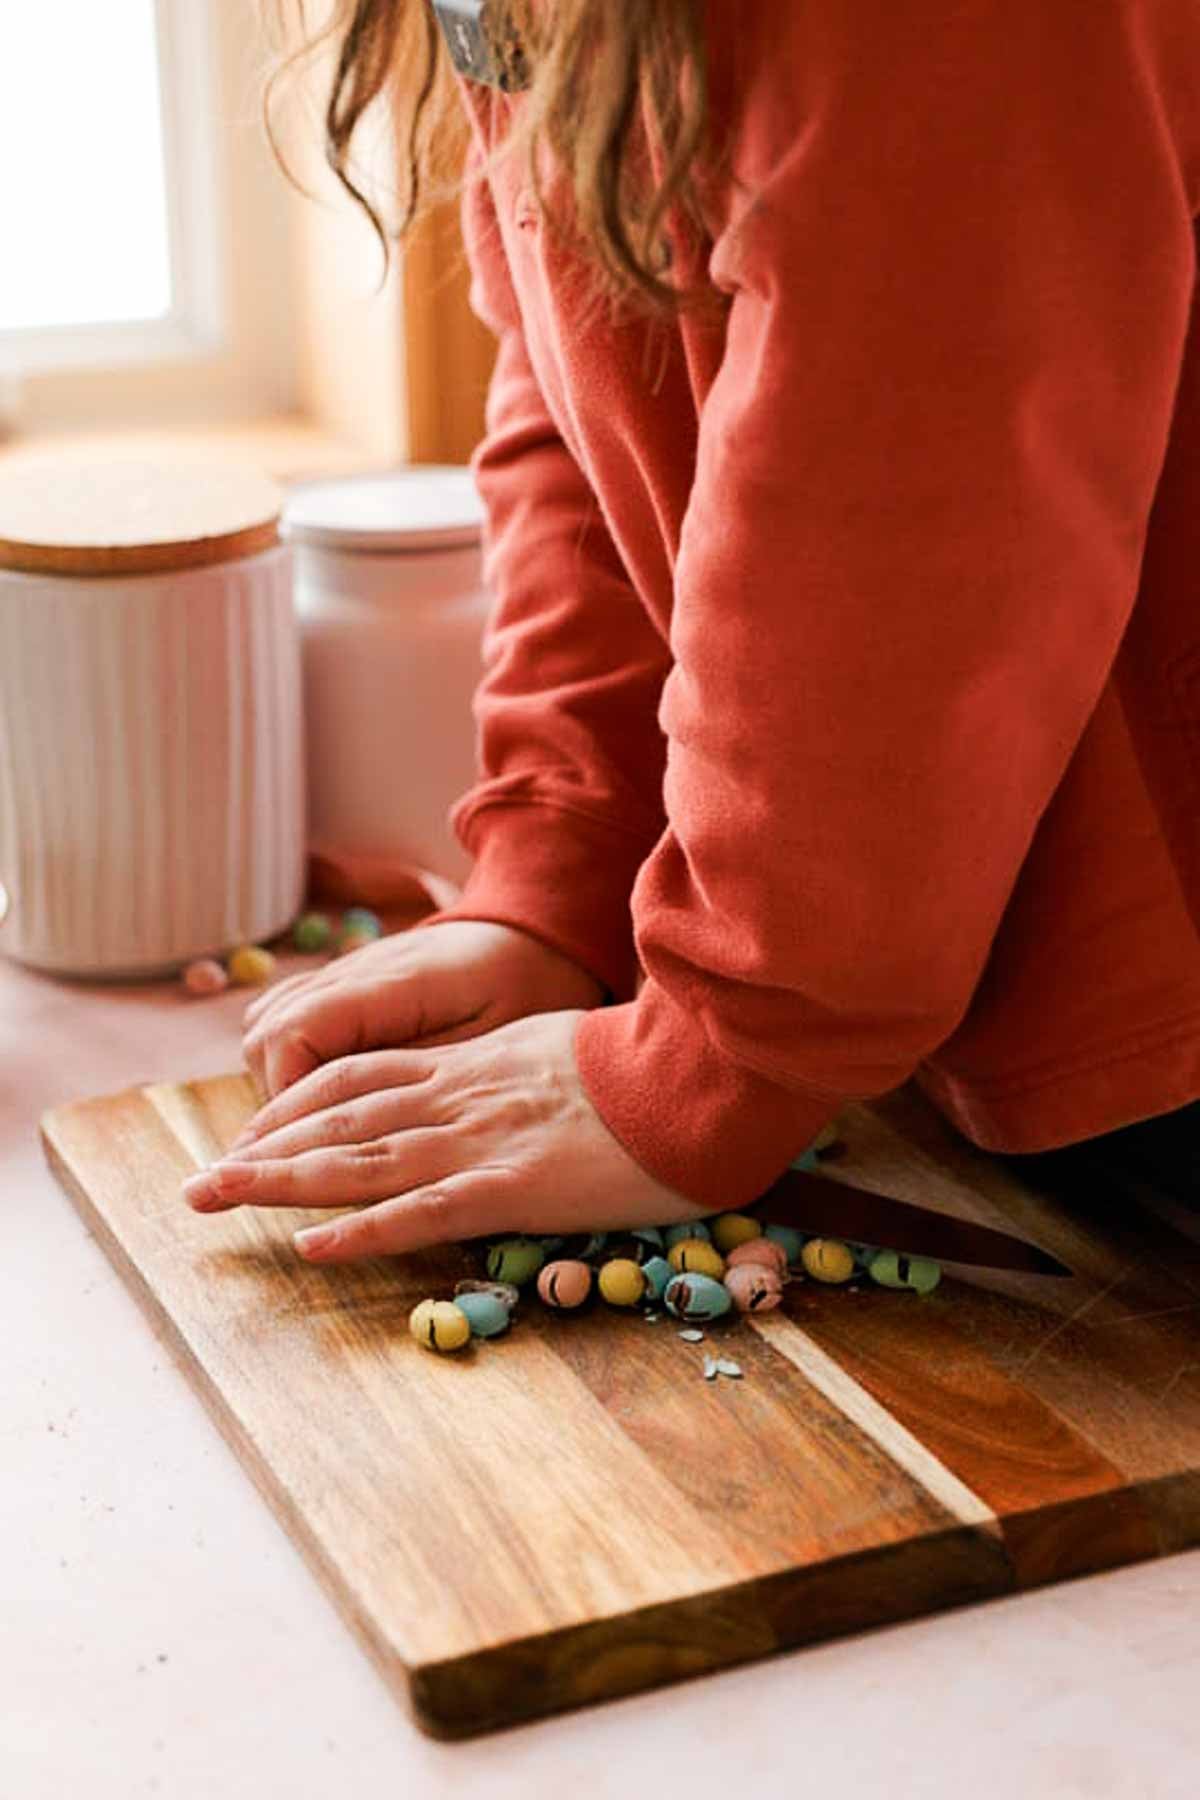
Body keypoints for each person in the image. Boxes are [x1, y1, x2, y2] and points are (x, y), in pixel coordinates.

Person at [182, 0, 1200, 1262]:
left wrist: (722, 1052)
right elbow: (595, 361)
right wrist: (564, 868)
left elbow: (908, 487)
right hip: (980, 1011)